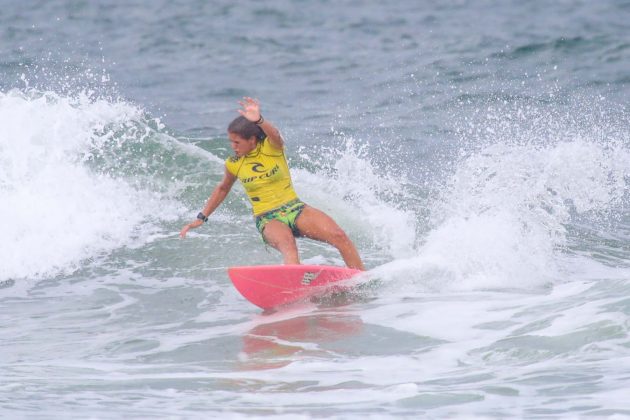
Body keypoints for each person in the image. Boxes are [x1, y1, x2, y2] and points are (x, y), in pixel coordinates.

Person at [180, 97, 365, 271]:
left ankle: (361, 279)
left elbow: (275, 134)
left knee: (339, 236)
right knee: (288, 246)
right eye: (231, 142)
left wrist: (259, 119)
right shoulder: (234, 164)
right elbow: (222, 188)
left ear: (252, 140)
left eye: (237, 142)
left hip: (296, 209)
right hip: (268, 218)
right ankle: (296, 291)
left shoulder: (272, 148)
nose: (233, 147)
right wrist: (201, 218)